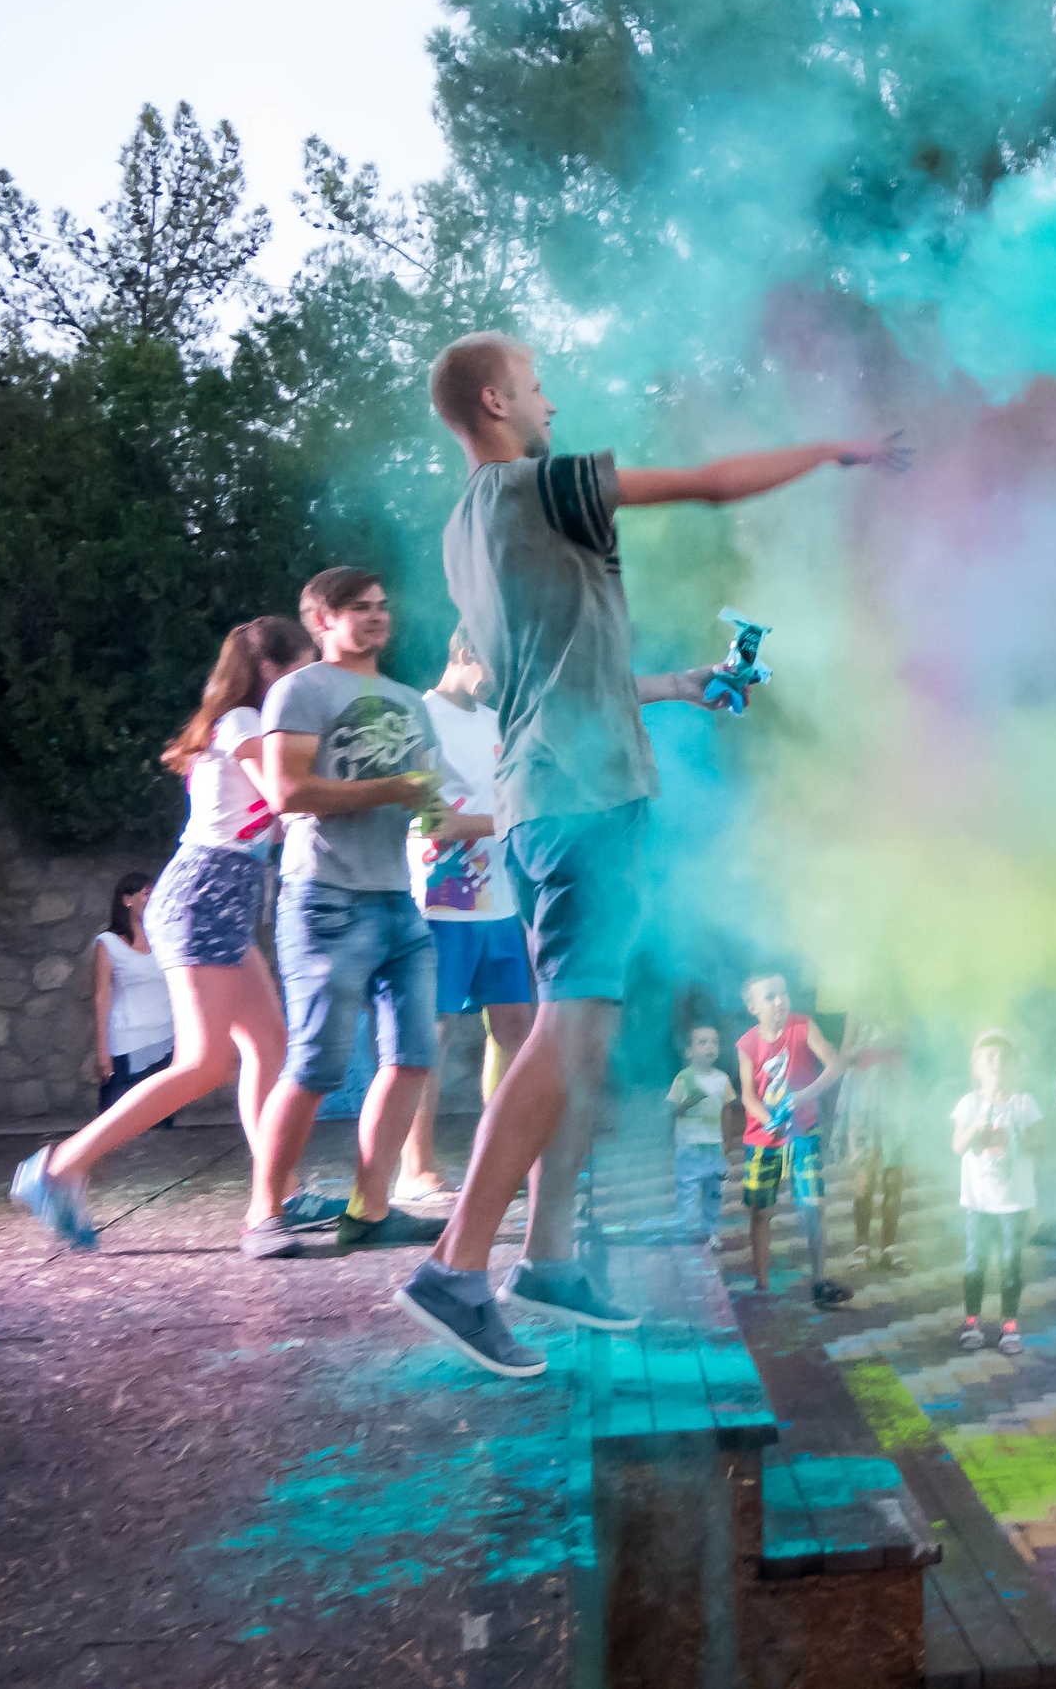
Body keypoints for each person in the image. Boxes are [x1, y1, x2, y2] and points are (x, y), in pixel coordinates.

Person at [395, 331, 898, 1377]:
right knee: (564, 1033)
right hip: (584, 802)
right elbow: (711, 484)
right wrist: (836, 451)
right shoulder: (545, 483)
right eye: (536, 386)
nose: (551, 403)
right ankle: (455, 1269)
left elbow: (557, 675)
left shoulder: (464, 527)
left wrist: (675, 686)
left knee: (581, 1043)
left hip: (544, 798)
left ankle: (547, 1261)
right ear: (495, 401)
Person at [14, 618, 319, 1244]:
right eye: (303, 666)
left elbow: (271, 816)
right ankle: (58, 1168)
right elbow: (285, 800)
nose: (309, 679)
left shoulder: (243, 726)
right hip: (203, 896)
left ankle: (280, 1190)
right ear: (272, 670)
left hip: (223, 898)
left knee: (269, 1046)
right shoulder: (243, 722)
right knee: (203, 1063)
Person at [238, 569, 462, 1266]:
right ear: (321, 621)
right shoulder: (300, 690)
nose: (376, 617)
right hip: (325, 898)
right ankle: (263, 1213)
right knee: (315, 1065)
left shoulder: (409, 702)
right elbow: (287, 792)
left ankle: (370, 1211)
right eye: (359, 608)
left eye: (381, 606)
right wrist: (393, 788)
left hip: (400, 899)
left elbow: (428, 802)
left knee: (414, 1058)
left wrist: (449, 814)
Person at [397, 627, 537, 1209]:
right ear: (464, 652)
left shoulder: (495, 721)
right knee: (433, 1031)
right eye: (493, 665)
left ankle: (499, 1155)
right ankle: (416, 1168)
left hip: (500, 898)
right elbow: (433, 820)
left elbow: (511, 797)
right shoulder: (418, 716)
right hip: (441, 896)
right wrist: (510, 820)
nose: (499, 680)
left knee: (514, 1025)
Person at [738, 972, 847, 1305]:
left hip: (804, 1132)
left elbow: (835, 1065)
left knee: (813, 1205)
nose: (779, 1001)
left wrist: (805, 1095)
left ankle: (819, 1281)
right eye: (770, 996)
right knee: (760, 1211)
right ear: (753, 1007)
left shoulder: (803, 1026)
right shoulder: (747, 1044)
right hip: (764, 1138)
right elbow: (748, 1096)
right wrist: (768, 1121)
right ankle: (761, 1284)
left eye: (783, 993)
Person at [953, 1030, 1041, 1356]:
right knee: (974, 1265)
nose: (996, 1063)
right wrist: (976, 1126)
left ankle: (1009, 1325)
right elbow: (958, 1145)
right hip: (978, 1203)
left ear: (1015, 1066)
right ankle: (971, 1321)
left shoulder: (1024, 1103)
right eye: (989, 1058)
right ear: (976, 1067)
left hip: (1014, 1204)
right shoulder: (970, 1103)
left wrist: (1016, 1134)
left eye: (1004, 1058)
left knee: (1011, 1266)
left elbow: (1040, 1143)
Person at [91, 873, 175, 1116]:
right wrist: (102, 1050)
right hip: (126, 1044)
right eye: (147, 893)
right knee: (117, 1116)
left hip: (165, 1041)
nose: (154, 898)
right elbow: (102, 995)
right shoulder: (108, 943)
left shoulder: (165, 941)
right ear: (127, 900)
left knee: (161, 1119)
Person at [838, 1017, 911, 1273]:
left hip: (895, 1093)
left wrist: (896, 1045)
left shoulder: (900, 1008)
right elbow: (845, 1053)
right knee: (865, 1177)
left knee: (893, 1177)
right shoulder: (857, 1010)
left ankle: (889, 1247)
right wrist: (868, 1049)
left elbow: (912, 1045)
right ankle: (861, 1246)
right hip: (864, 1097)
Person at [666, 1023, 734, 1244]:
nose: (710, 1047)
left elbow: (727, 1110)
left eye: (714, 1042)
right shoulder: (683, 1078)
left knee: (714, 1192)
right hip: (689, 1145)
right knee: (687, 1191)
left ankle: (710, 1232)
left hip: (714, 1146)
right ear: (689, 1052)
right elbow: (673, 1112)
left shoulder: (722, 1080)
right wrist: (688, 1102)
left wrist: (727, 1140)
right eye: (702, 1042)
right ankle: (686, 1233)